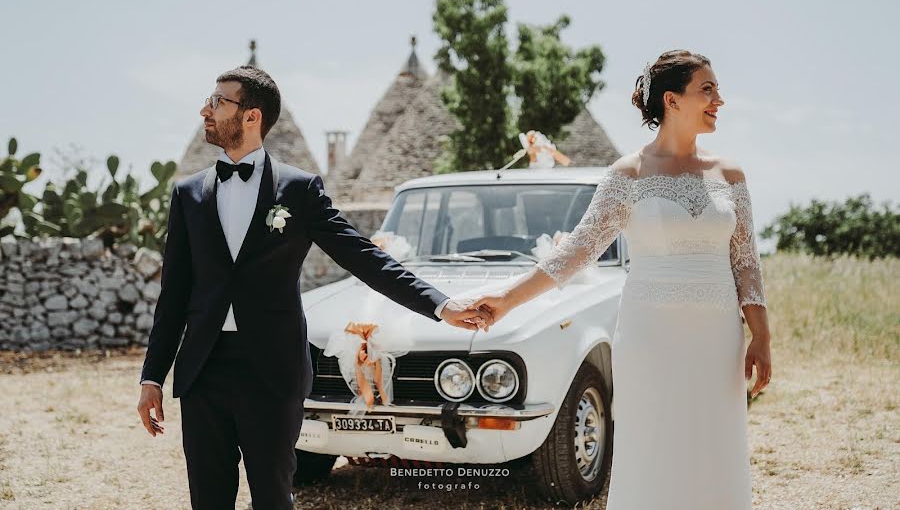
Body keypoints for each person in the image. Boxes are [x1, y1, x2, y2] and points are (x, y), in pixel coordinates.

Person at [136, 65, 492, 510]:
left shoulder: (299, 190)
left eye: (218, 101)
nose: (205, 109)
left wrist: (440, 305)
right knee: (208, 499)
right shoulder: (187, 194)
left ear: (252, 117)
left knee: (272, 496)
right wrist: (152, 375)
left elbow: (364, 257)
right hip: (203, 371)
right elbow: (174, 295)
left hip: (271, 370)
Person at [464, 50, 772, 509]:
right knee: (654, 445)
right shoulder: (627, 175)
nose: (719, 100)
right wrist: (507, 299)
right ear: (672, 100)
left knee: (714, 442)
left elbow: (746, 262)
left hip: (717, 338)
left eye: (717, 90)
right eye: (707, 90)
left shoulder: (730, 175)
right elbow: (578, 251)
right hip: (652, 336)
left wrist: (762, 336)